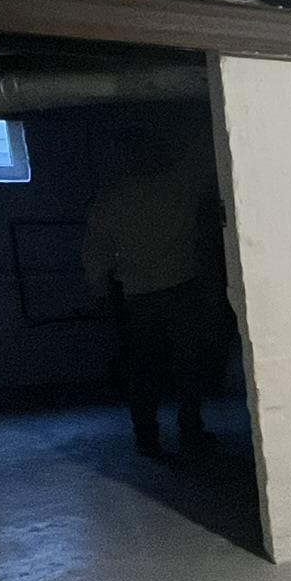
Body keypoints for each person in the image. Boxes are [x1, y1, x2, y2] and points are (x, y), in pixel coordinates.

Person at [83, 122, 225, 458]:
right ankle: (190, 433)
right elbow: (205, 153)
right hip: (182, 289)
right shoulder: (178, 183)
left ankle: (147, 437)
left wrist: (99, 289)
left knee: (145, 369)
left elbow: (95, 253)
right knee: (188, 365)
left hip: (139, 296)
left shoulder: (111, 201)